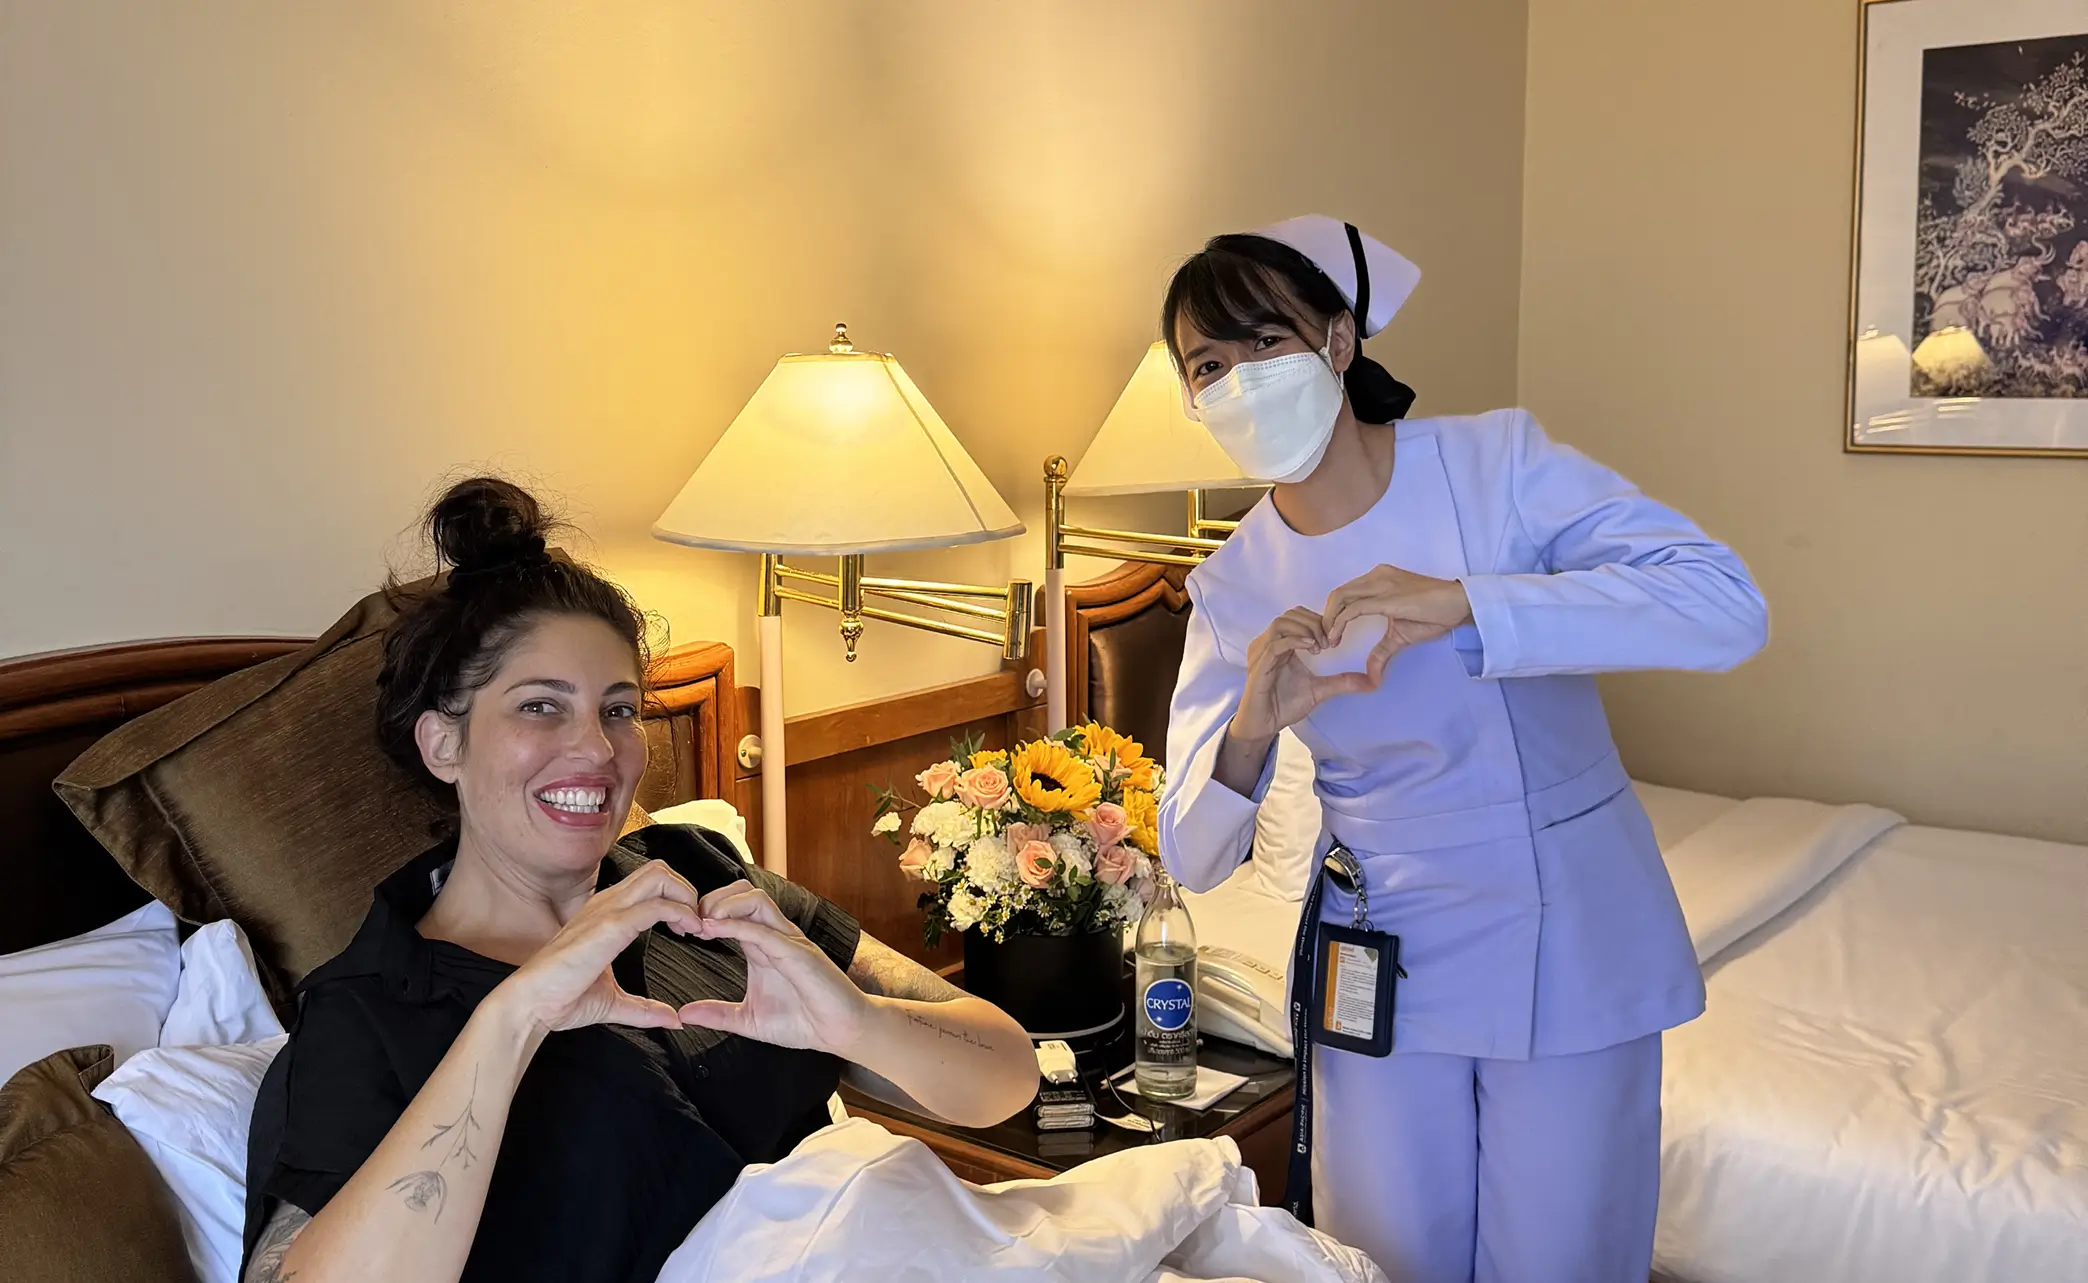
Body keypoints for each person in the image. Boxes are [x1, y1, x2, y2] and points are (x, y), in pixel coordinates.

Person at [1155, 216, 1767, 1283]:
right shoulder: (1234, 580)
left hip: (1567, 924)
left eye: (1267, 343)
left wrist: (1466, 605)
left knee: (1561, 1253)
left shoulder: (1495, 467)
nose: (1240, 381)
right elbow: (1191, 856)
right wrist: (1257, 718)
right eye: (1208, 364)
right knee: (1383, 1256)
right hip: (1375, 950)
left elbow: (1725, 607)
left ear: (1339, 341)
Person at [239, 478, 1036, 1283]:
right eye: (541, 707)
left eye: (618, 710)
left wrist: (857, 1023)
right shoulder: (370, 1013)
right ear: (443, 744)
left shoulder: (695, 875)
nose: (596, 747)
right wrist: (513, 1016)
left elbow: (1009, 1075)